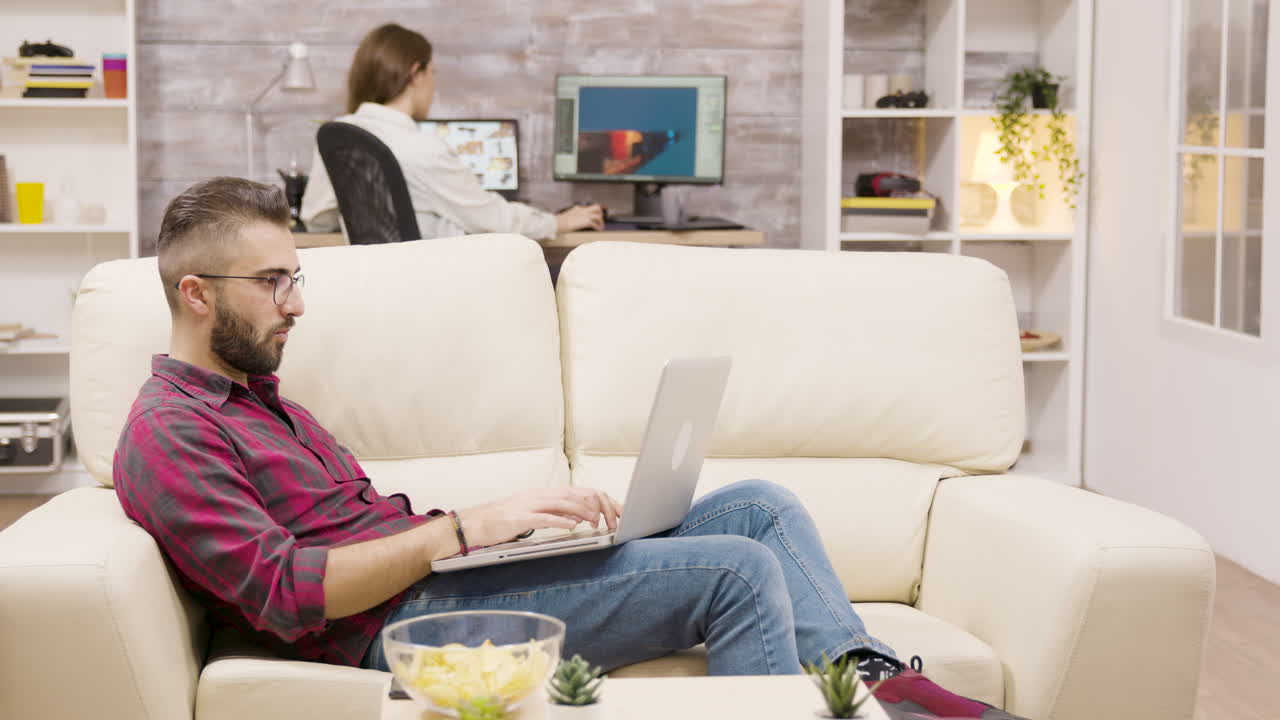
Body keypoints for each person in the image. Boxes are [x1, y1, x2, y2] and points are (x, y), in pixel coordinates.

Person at [115, 177, 1026, 720]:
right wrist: (463, 530)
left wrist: (529, 537)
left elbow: (355, 526)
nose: (297, 303)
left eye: (295, 277)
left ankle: (869, 679)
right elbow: (284, 594)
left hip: (439, 579)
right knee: (738, 569)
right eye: (275, 282)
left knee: (760, 506)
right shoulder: (170, 435)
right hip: (391, 632)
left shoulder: (258, 399)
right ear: (197, 294)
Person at [300, 23, 602, 241]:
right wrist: (559, 221)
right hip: (436, 286)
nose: (434, 83)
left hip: (378, 288)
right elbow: (493, 220)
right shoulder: (419, 148)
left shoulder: (340, 136)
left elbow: (316, 220)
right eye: (433, 73)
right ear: (416, 73)